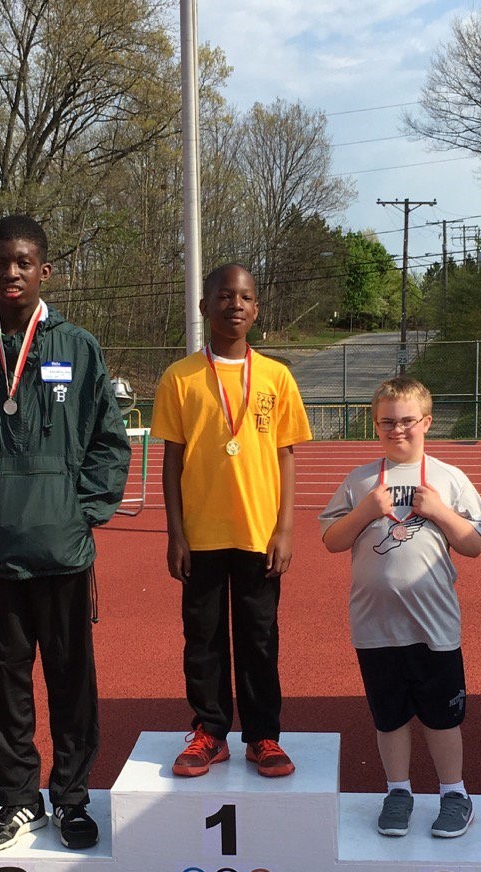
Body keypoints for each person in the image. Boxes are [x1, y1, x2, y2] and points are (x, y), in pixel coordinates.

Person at [0, 215, 131, 853]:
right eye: (0, 261)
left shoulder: (78, 347)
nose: (11, 272)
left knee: (72, 680)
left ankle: (71, 800)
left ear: (45, 270)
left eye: (23, 262)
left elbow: (107, 441)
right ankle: (18, 801)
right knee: (4, 681)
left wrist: (82, 510)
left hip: (63, 551)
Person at [151, 263, 312, 778]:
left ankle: (263, 735)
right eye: (224, 296)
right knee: (203, 638)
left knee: (260, 638)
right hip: (200, 534)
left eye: (245, 297)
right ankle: (209, 732)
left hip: (258, 534)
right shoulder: (180, 377)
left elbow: (285, 455)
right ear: (205, 307)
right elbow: (171, 459)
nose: (235, 305)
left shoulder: (276, 376)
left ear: (256, 309)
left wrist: (284, 529)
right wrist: (175, 533)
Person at [319, 377, 481, 838]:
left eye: (407, 421)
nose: (398, 430)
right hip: (375, 626)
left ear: (427, 422)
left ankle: (455, 793)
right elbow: (332, 540)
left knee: (442, 716)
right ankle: (398, 791)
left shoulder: (451, 480)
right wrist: (365, 511)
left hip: (434, 625)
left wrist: (439, 511)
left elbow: (474, 544)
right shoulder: (359, 482)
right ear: (375, 426)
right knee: (388, 715)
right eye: (387, 422)